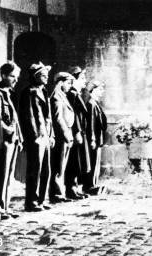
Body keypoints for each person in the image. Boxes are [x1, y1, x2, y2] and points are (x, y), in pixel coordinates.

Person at [18, 62, 54, 212]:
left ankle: (41, 199)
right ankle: (31, 201)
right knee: (35, 169)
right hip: (37, 137)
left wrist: (51, 135)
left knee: (46, 169)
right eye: (43, 75)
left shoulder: (44, 91)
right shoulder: (29, 92)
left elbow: (49, 116)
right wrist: (34, 136)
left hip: (45, 135)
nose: (46, 78)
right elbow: (29, 117)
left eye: (47, 75)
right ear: (35, 76)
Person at [0, 62, 22, 219]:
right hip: (3, 141)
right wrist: (10, 131)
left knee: (8, 175)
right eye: (12, 76)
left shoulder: (8, 93)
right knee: (1, 174)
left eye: (17, 77)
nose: (15, 80)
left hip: (12, 140)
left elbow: (15, 118)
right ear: (3, 76)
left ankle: (5, 206)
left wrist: (19, 137)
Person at [49, 72, 76, 203]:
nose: (70, 86)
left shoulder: (61, 96)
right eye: (68, 83)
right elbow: (58, 118)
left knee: (62, 165)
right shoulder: (56, 97)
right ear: (60, 82)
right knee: (58, 166)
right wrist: (66, 135)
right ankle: (57, 194)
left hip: (65, 133)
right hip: (61, 135)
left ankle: (59, 193)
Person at [65, 66, 90, 199]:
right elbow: (73, 116)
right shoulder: (72, 95)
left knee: (78, 161)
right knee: (74, 161)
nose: (84, 81)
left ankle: (75, 187)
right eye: (82, 78)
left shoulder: (76, 94)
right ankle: (71, 188)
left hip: (80, 132)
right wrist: (77, 132)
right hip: (76, 132)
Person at [83, 81, 107, 195]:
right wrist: (92, 139)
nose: (102, 92)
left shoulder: (95, 103)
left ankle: (93, 184)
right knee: (92, 162)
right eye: (100, 90)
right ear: (93, 91)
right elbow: (91, 124)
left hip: (97, 139)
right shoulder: (91, 104)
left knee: (95, 162)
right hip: (94, 140)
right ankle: (89, 186)